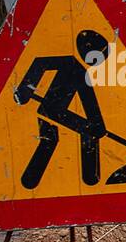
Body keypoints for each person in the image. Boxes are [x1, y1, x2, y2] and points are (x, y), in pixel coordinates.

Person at [14, 30, 110, 189]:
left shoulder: (82, 72)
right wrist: (24, 90)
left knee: (76, 136)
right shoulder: (68, 62)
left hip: (54, 111)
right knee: (54, 140)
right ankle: (29, 183)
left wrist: (98, 125)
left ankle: (90, 180)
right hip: (50, 109)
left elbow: (89, 102)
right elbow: (39, 64)